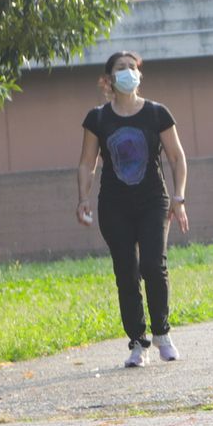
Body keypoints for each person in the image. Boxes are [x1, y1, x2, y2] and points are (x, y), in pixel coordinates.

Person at [77, 51, 190, 368]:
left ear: (139, 74)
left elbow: (177, 158)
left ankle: (162, 334)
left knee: (153, 265)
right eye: (120, 68)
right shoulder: (98, 118)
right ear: (109, 79)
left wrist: (179, 198)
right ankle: (138, 342)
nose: (127, 72)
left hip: (153, 199)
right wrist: (83, 197)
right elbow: (87, 163)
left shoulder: (157, 113)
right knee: (126, 272)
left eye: (132, 67)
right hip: (114, 204)